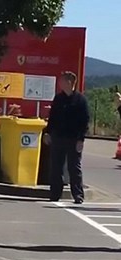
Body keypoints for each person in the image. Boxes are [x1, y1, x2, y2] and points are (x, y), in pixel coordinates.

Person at [42, 71, 90, 204]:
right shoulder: (58, 99)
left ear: (69, 82)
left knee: (74, 167)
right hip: (58, 137)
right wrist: (48, 132)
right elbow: (52, 118)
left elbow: (85, 121)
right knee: (56, 167)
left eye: (62, 81)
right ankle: (55, 194)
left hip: (73, 138)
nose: (60, 83)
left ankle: (78, 195)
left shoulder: (80, 100)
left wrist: (81, 139)